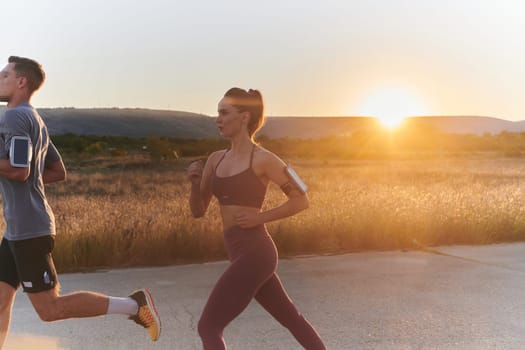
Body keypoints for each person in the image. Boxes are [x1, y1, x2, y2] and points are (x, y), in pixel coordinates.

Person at [0, 56, 161, 348]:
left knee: (51, 310)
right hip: (16, 229)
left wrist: (19, 176)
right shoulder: (36, 120)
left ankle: (133, 305)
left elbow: (20, 170)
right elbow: (56, 171)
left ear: (21, 82)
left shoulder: (13, 117)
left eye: (4, 76)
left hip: (29, 230)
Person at [187, 87, 326, 349]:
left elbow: (302, 199)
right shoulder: (215, 160)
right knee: (292, 318)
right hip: (237, 250)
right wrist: (195, 185)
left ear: (244, 117)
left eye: (224, 112)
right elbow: (198, 211)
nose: (217, 118)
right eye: (217, 112)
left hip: (256, 253)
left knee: (208, 326)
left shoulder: (266, 160)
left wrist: (260, 218)